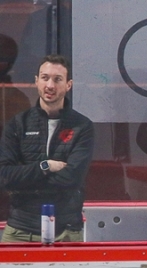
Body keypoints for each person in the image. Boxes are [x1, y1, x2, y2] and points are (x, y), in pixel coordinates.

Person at [0, 54, 94, 242]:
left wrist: (24, 181)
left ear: (68, 85)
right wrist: (45, 166)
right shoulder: (18, 125)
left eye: (57, 79)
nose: (50, 85)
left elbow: (72, 179)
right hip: (20, 230)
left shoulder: (82, 126)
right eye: (45, 78)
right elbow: (4, 177)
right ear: (36, 81)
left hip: (66, 231)